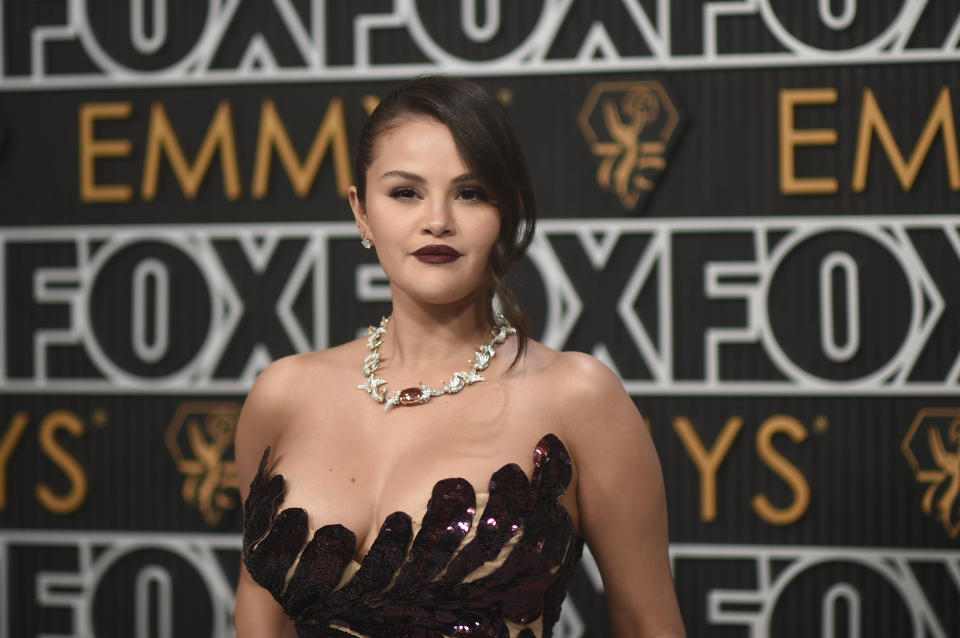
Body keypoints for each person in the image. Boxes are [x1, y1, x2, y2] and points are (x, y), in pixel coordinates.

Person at [234, 75, 685, 638]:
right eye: (405, 192)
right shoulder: (283, 393)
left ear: (509, 213)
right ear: (362, 212)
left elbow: (649, 624)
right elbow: (258, 608)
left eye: (470, 192)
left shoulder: (578, 396)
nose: (437, 220)